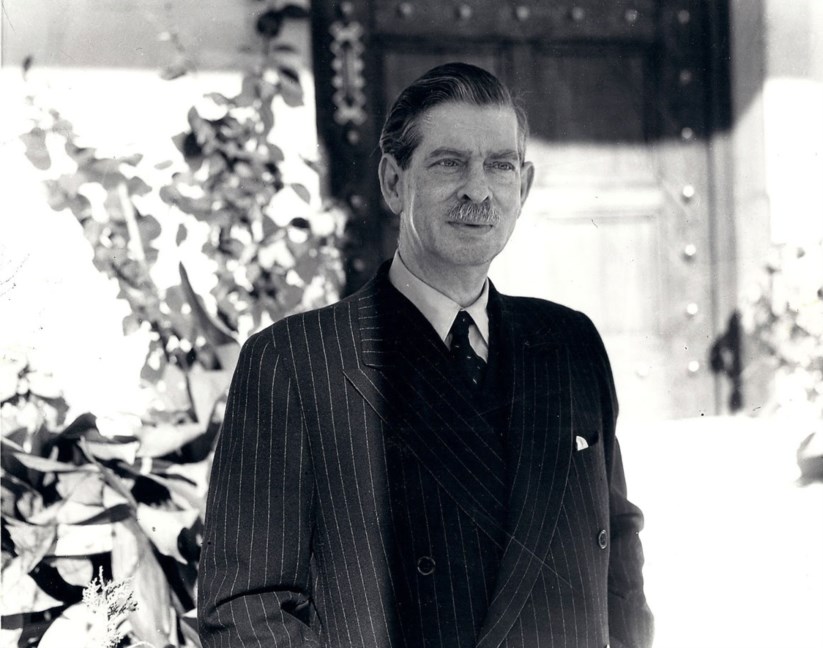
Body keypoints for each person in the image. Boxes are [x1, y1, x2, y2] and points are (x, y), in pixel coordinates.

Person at [198, 62, 653, 648]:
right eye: (449, 163)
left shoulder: (570, 343)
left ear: (524, 187)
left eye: (500, 165)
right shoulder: (295, 362)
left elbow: (618, 549)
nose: (478, 190)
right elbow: (246, 608)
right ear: (393, 182)